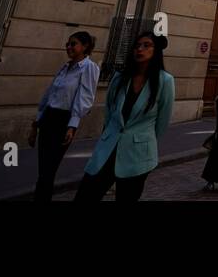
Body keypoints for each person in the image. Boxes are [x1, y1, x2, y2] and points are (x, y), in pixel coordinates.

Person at [75, 31, 174, 202]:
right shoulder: (120, 78)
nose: (139, 49)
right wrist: (107, 136)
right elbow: (110, 112)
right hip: (108, 149)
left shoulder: (164, 81)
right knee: (85, 195)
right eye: (137, 45)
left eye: (146, 45)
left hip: (138, 155)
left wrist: (144, 141)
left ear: (156, 51)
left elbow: (162, 122)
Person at [30, 31, 99, 201]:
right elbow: (49, 95)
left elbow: (85, 97)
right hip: (48, 118)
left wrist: (72, 125)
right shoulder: (65, 67)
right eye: (67, 44)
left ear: (85, 46)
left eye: (73, 44)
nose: (68, 47)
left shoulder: (89, 68)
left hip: (63, 121)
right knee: (44, 170)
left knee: (49, 169)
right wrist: (36, 124)